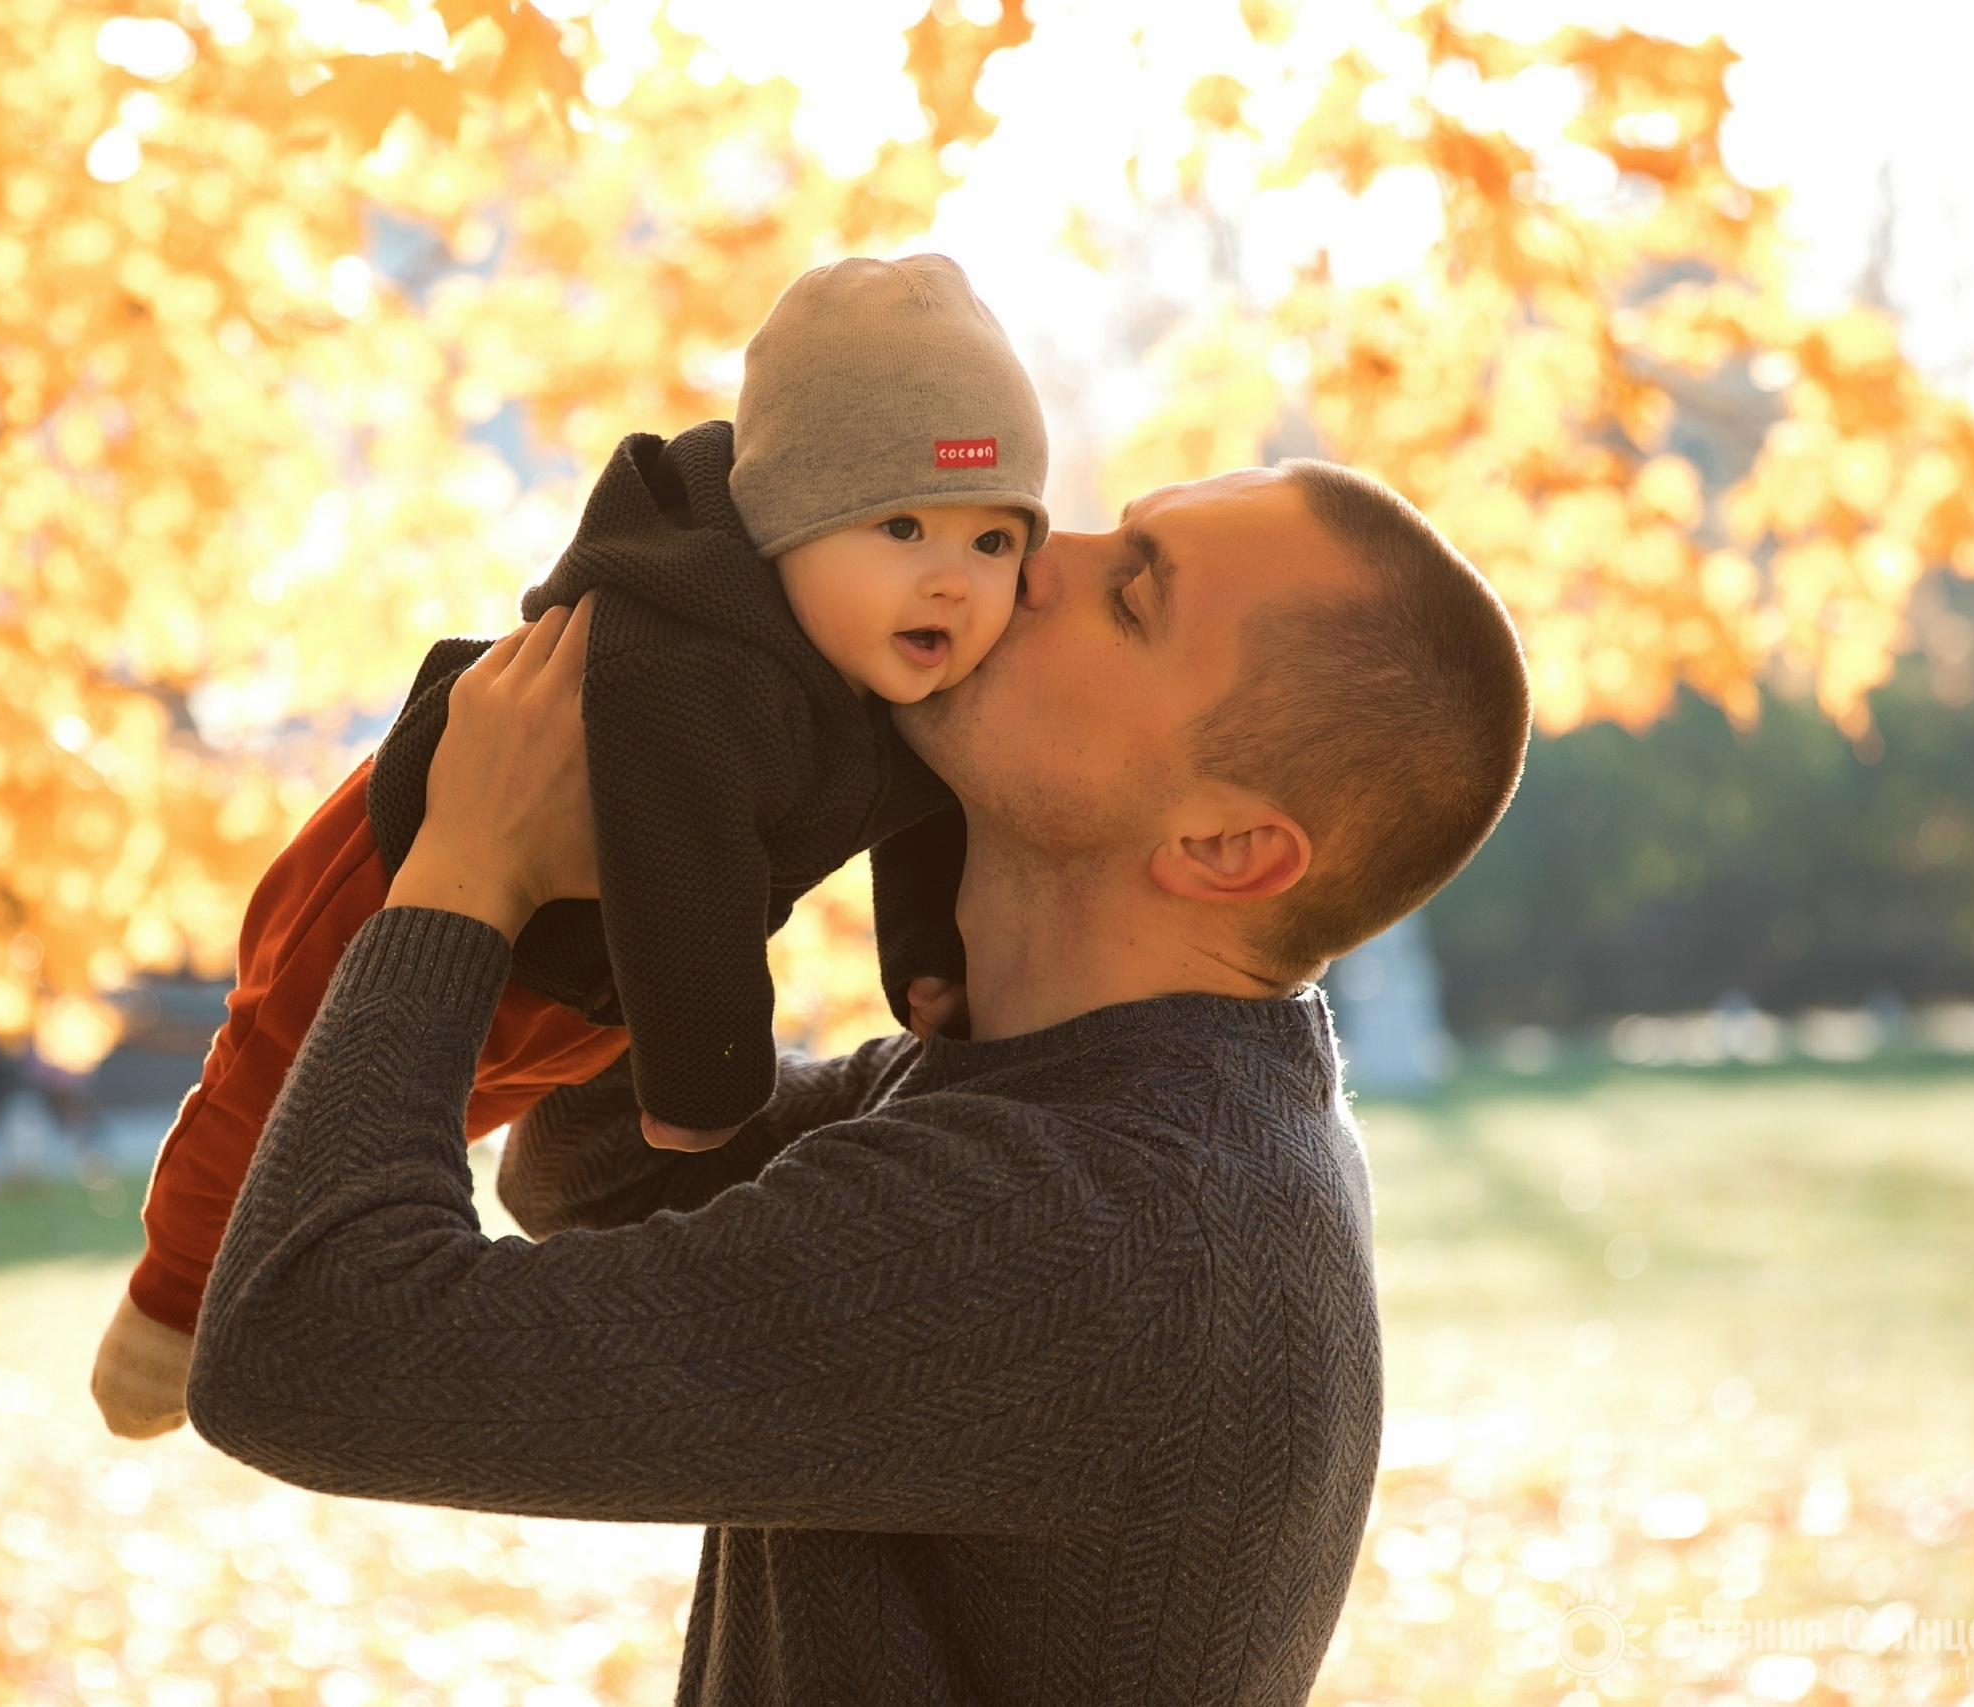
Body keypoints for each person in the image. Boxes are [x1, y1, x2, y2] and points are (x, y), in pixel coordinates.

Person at [187, 459, 1533, 1705]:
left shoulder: (1079, 1222)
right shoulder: (1126, 1096)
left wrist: (466, 876)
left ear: (1229, 844)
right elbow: (601, 1172)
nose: (1027, 554)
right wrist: (677, 825)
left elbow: (297, 1347)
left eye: (1128, 592)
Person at [91, 255, 1048, 1439]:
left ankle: (241, 1266)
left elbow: (935, 793)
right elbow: (685, 876)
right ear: (786, 523)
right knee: (277, 1088)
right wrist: (706, 1095)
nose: (952, 583)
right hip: (411, 876)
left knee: (443, 1115)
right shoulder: (692, 658)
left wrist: (926, 962)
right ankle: (169, 1299)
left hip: (581, 971)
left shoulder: (892, 657)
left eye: (994, 543)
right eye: (900, 525)